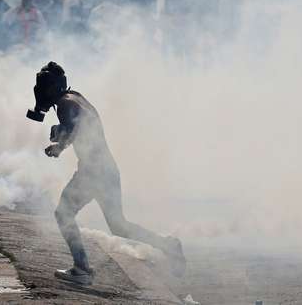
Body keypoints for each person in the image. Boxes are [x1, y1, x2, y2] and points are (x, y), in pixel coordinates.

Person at [26, 62, 186, 286]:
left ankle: (81, 269)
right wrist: (60, 139)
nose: (40, 92)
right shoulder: (75, 97)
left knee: (63, 214)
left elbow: (73, 129)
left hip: (92, 172)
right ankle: (168, 246)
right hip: (107, 170)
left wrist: (59, 147)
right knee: (119, 225)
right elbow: (79, 128)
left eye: (42, 87)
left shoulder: (64, 104)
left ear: (49, 88)